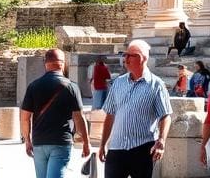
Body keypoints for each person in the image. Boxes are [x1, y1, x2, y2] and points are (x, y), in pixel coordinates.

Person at [99, 39, 172, 178]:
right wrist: (102, 144)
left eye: (130, 55)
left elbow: (165, 115)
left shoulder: (156, 85)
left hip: (143, 148)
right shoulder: (118, 82)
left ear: (142, 58)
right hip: (116, 147)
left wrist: (161, 140)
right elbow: (110, 114)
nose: (125, 59)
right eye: (125, 54)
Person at [20, 48, 90, 178]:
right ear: (63, 64)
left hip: (39, 142)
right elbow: (79, 118)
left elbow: (24, 118)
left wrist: (27, 140)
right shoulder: (71, 87)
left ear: (45, 63)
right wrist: (86, 142)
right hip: (61, 141)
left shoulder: (33, 86)